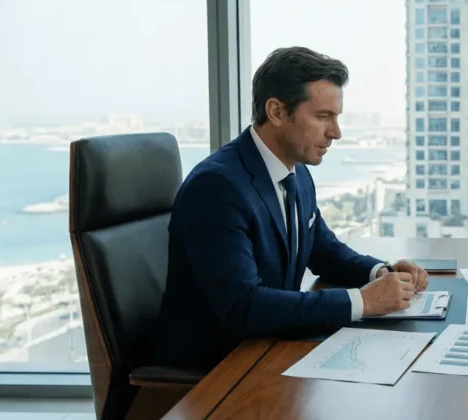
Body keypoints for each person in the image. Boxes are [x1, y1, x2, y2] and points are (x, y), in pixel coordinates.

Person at [153, 47, 429, 369]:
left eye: (337, 118)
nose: (336, 133)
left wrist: (382, 272)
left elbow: (324, 250)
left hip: (270, 346)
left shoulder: (296, 172)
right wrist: (364, 301)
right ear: (276, 111)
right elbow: (245, 307)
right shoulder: (217, 187)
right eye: (323, 117)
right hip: (218, 369)